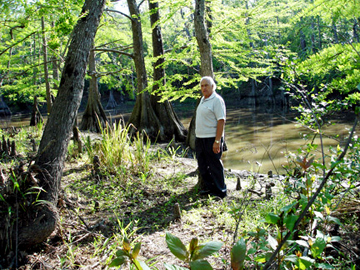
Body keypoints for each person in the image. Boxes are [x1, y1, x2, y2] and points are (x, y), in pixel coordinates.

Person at [195, 76, 227, 198]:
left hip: (212, 138)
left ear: (213, 86)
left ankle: (220, 191)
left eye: (206, 85)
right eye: (202, 86)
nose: (204, 88)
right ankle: (210, 189)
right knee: (203, 166)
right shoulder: (203, 99)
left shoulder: (217, 100)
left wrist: (217, 141)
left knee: (214, 165)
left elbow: (221, 121)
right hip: (200, 138)